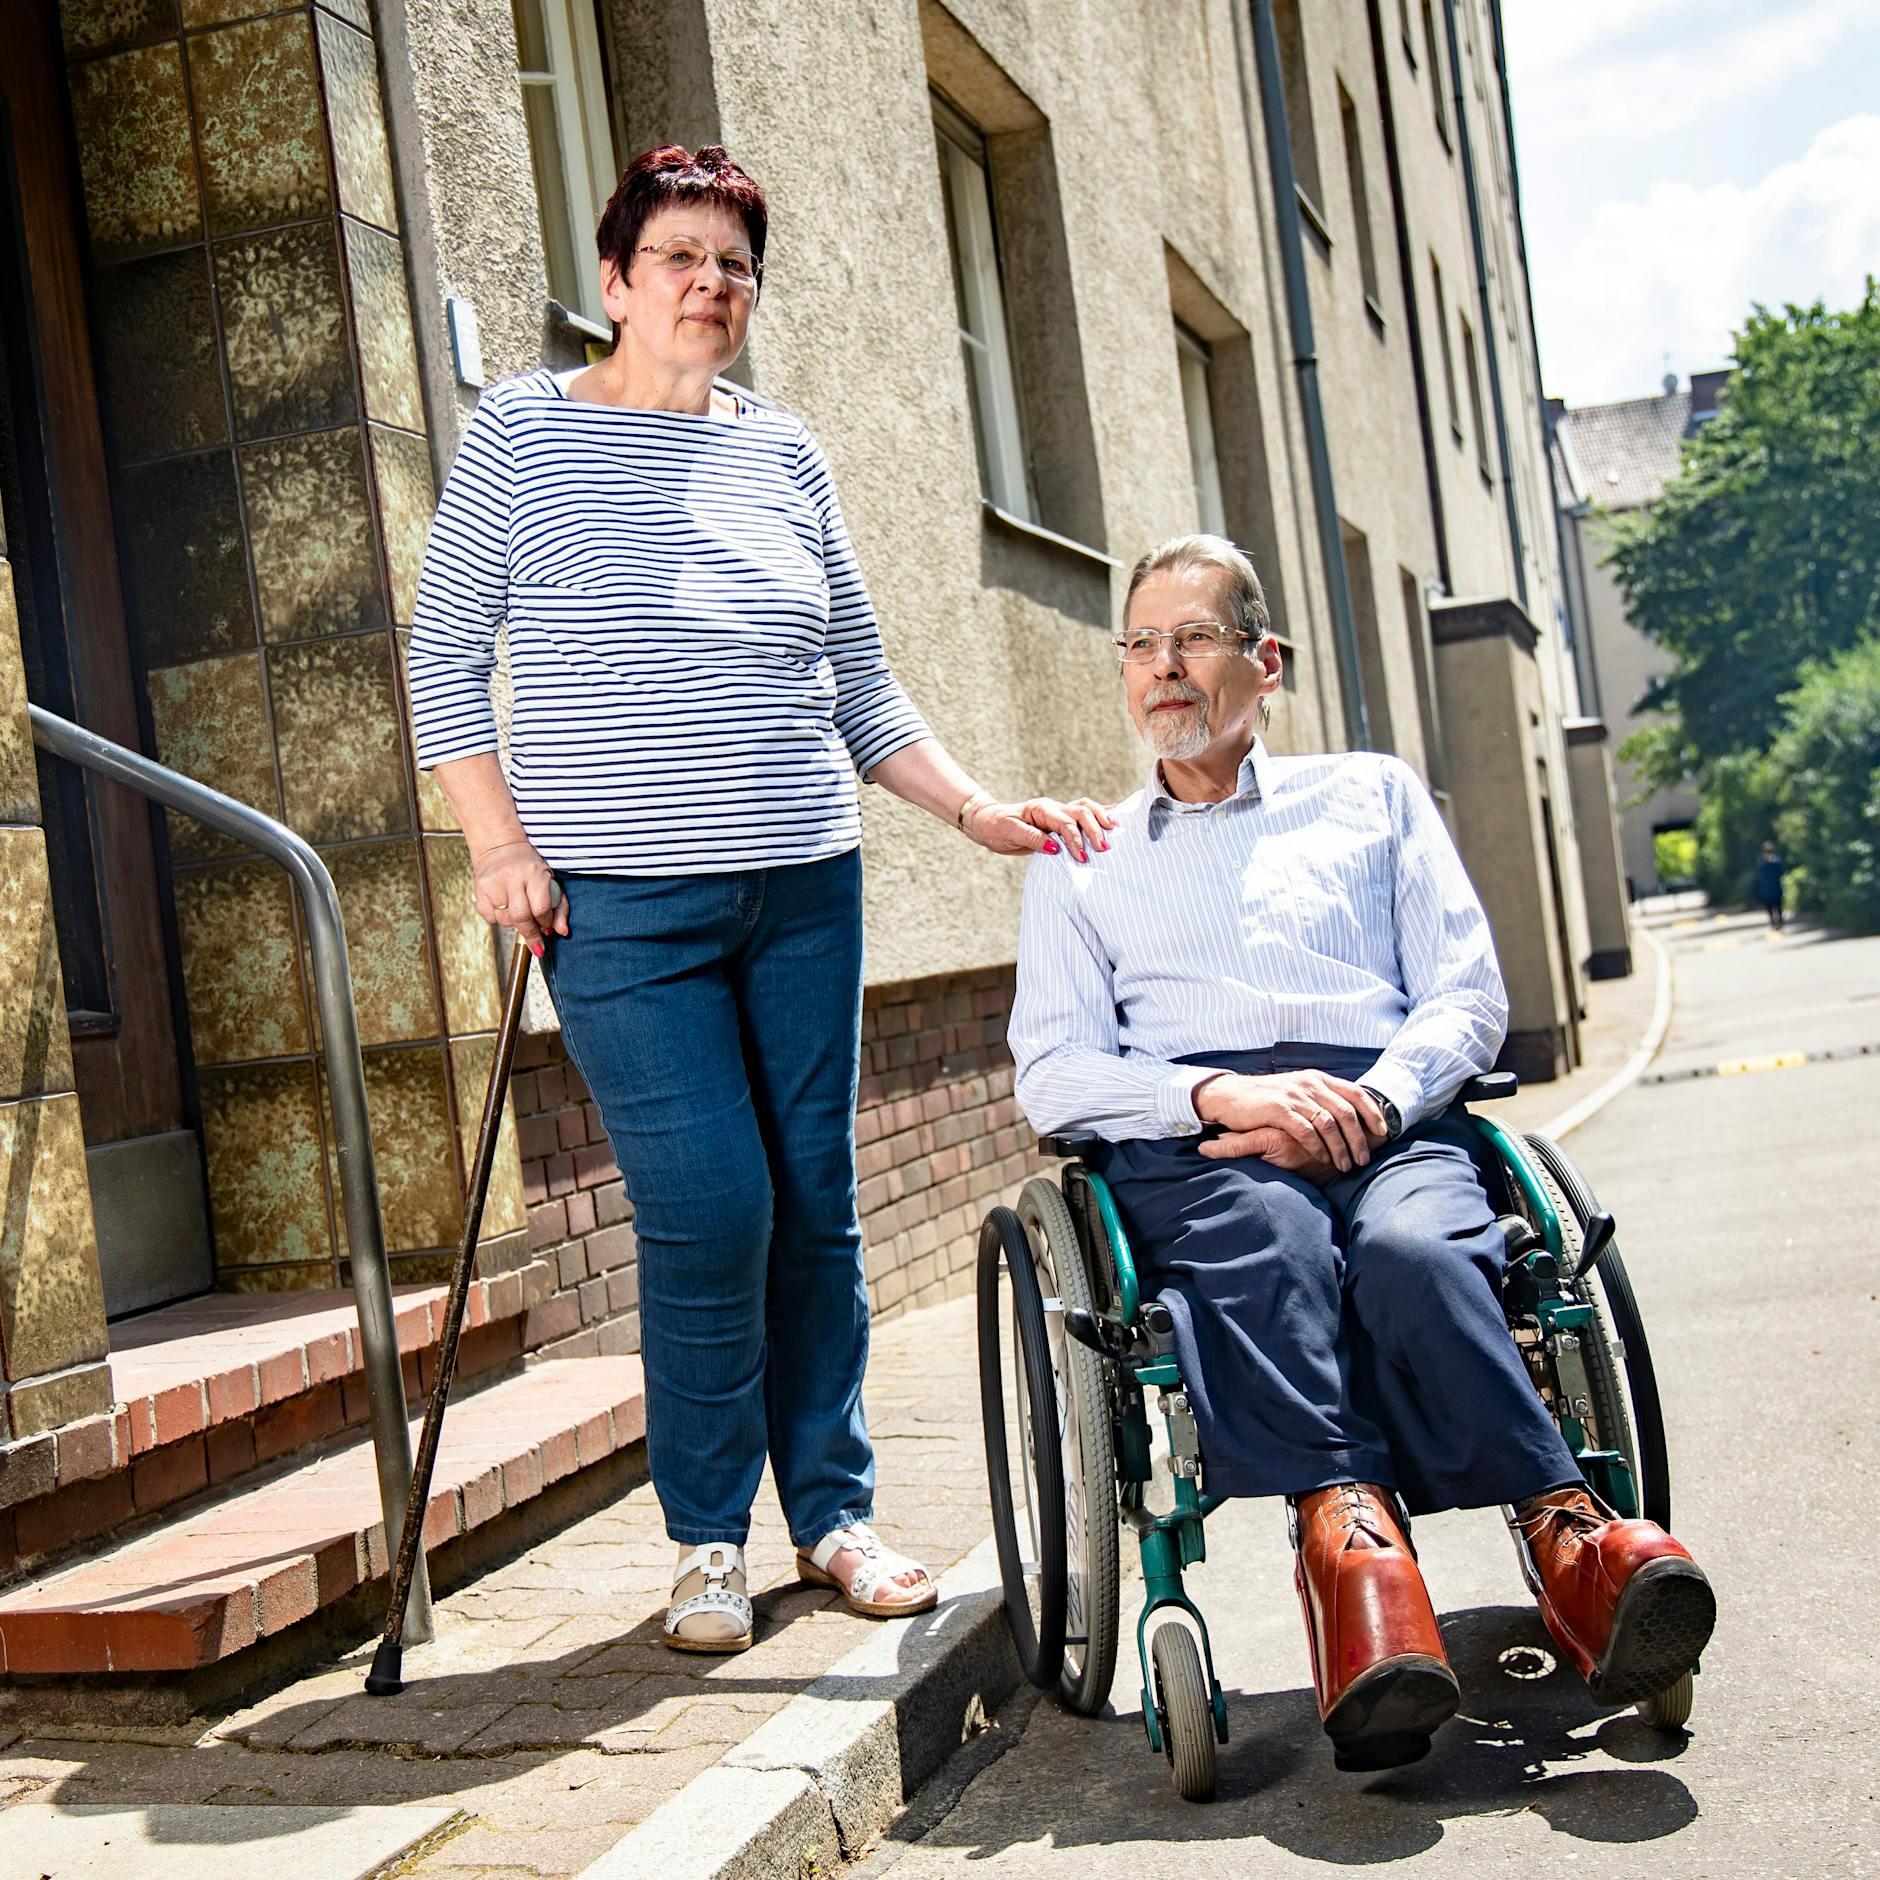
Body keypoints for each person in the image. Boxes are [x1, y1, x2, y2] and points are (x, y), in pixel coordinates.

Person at [408, 145, 1113, 1655]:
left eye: (734, 265)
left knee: (816, 1212)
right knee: (711, 1209)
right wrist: (496, 844)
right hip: (617, 908)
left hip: (802, 885)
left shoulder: (782, 452)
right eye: (680, 258)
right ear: (613, 282)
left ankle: (837, 1516)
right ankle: (710, 1542)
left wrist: (983, 810)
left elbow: (856, 678)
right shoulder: (521, 437)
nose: (711, 287)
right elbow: (441, 658)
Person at [1008, 534, 1715, 1771]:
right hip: (1202, 1140)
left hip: (1382, 1111)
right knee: (1270, 1247)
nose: (1161, 670)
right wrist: (1218, 1091)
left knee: (1409, 1251)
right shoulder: (1082, 855)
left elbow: (1463, 992)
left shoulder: (1370, 794)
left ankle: (1564, 1533)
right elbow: (1053, 1069)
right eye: (1140, 645)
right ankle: (1351, 1554)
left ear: (1263, 662)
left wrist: (1379, 1100)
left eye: (1193, 639)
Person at [1753, 840, 1787, 929]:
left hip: (1769, 888)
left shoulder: (1763, 863)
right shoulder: (1774, 862)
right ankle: (1776, 921)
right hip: (1773, 888)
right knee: (1775, 906)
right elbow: (1782, 872)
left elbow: (1758, 876)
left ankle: (1776, 921)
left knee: (1774, 906)